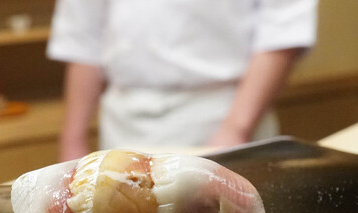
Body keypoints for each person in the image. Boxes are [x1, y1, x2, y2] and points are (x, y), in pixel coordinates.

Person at [48, 0, 318, 161]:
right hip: (122, 124)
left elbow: (281, 29)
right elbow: (83, 38)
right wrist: (72, 143)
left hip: (223, 115)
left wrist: (236, 129)